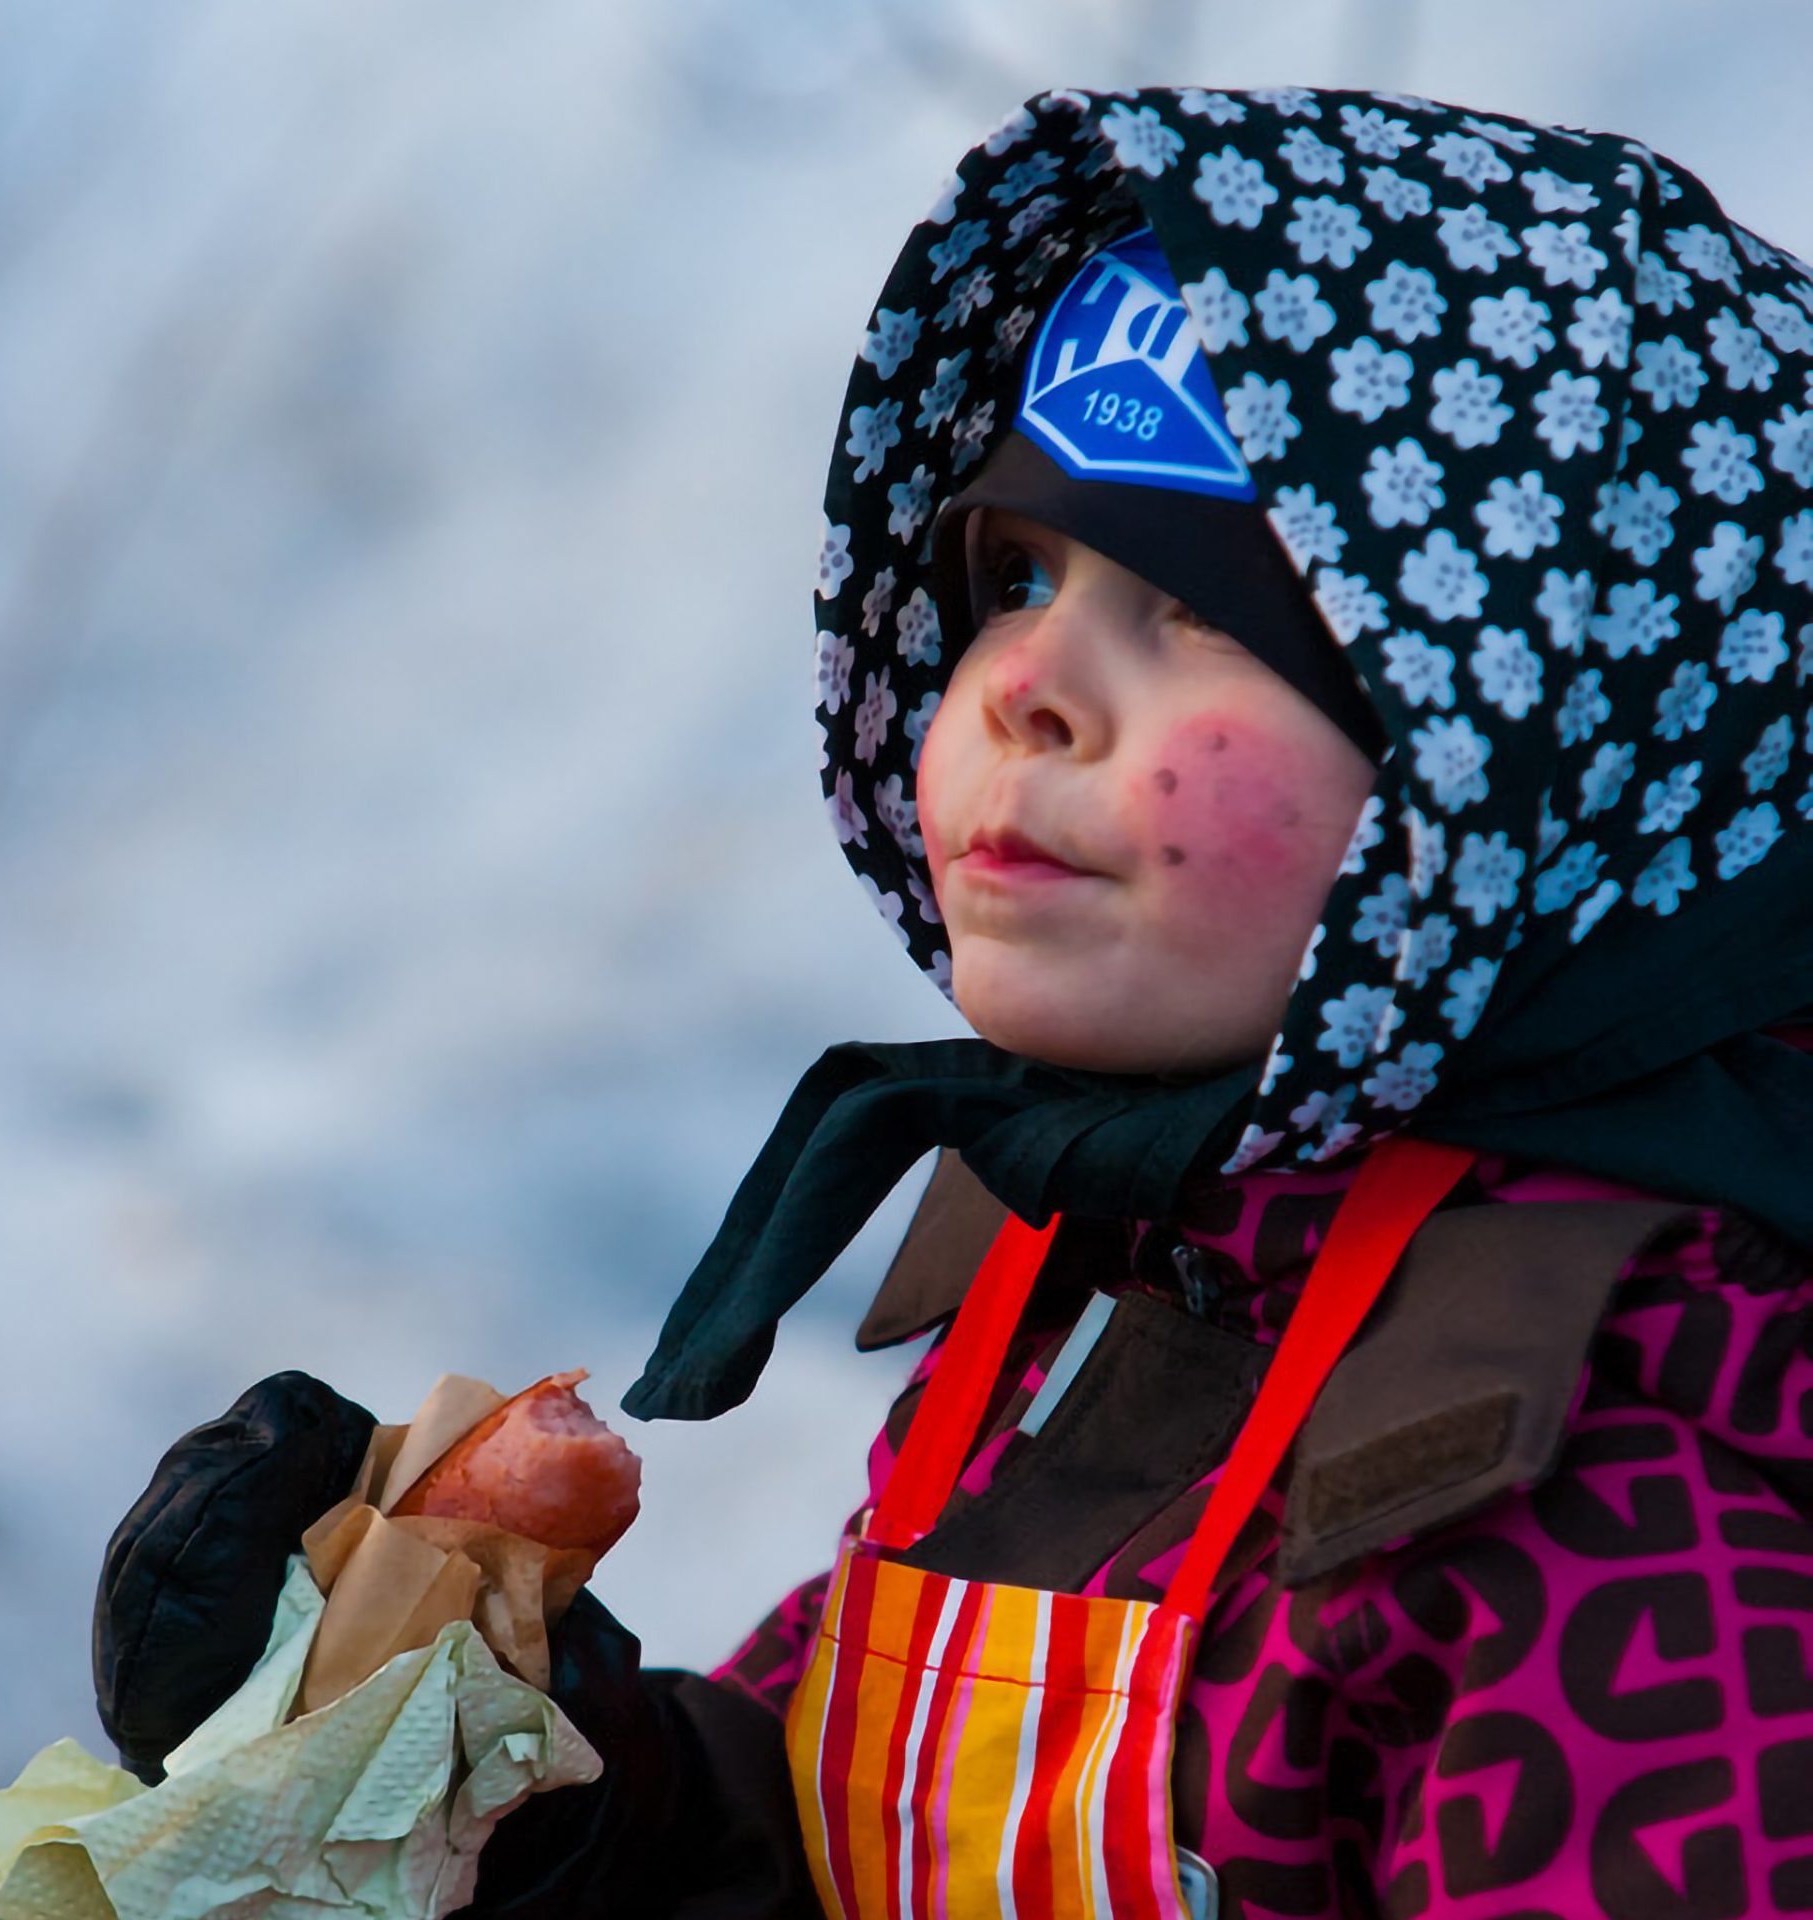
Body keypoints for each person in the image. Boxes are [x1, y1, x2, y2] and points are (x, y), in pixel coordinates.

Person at [93, 85, 1813, 1917]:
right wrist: (515, 1785)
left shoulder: (1635, 1507)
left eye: (1225, 610)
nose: (1026, 684)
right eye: (1014, 574)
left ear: (1578, 755)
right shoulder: (1144, 1250)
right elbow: (852, 1837)